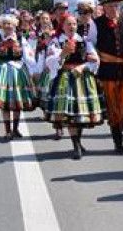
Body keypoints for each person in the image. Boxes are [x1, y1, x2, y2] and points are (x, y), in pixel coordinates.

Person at [44, 13, 105, 159]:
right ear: (62, 26)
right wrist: (62, 55)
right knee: (70, 114)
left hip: (82, 78)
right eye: (68, 24)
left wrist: (83, 66)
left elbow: (95, 60)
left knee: (81, 113)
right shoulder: (57, 42)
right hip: (65, 78)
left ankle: (78, 141)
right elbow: (50, 62)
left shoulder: (83, 41)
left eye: (74, 24)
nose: (72, 27)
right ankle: (76, 145)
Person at [92, 0, 123, 152]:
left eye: (116, 5)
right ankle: (117, 142)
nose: (113, 8)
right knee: (113, 109)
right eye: (110, 6)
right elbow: (91, 46)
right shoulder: (95, 23)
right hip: (108, 70)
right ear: (103, 8)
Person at [0, 14, 37, 140]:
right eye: (5, 24)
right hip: (2, 70)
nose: (8, 26)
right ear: (2, 25)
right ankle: (7, 131)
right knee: (4, 102)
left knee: (17, 101)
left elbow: (28, 55)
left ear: (15, 25)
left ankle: (16, 129)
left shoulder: (20, 38)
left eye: (10, 24)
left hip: (18, 71)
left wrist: (33, 70)